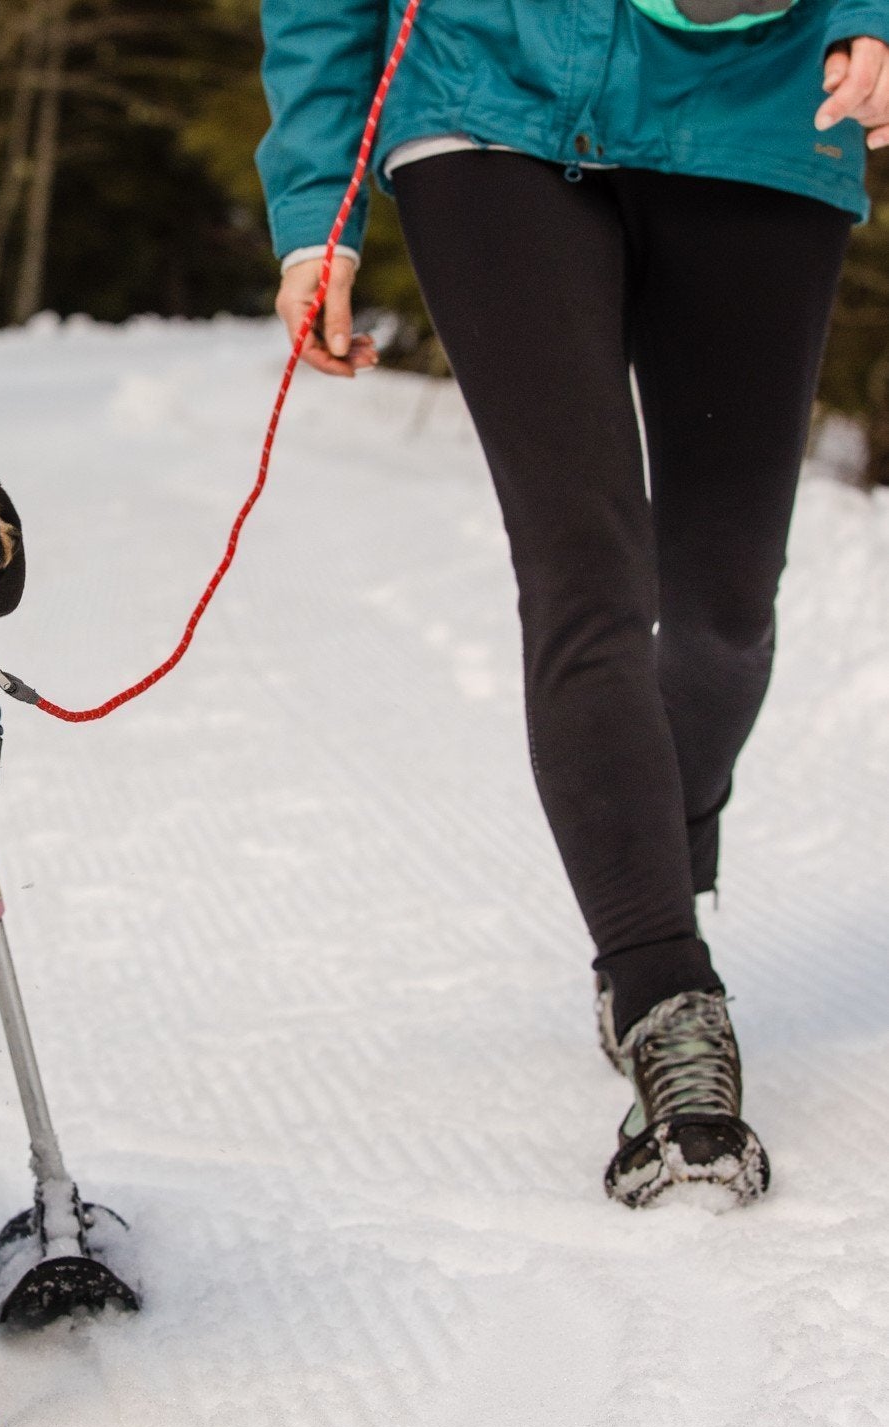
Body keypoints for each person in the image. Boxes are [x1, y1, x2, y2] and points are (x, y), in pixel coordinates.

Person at [257, 0, 889, 1206]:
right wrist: (313, 210)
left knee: (720, 610)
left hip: (755, 104)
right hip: (486, 109)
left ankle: (657, 832)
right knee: (582, 576)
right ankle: (662, 991)